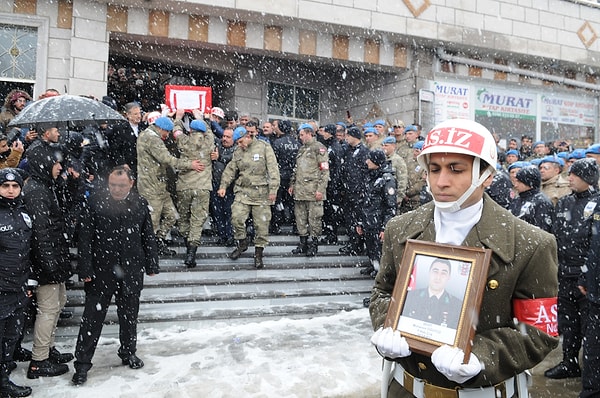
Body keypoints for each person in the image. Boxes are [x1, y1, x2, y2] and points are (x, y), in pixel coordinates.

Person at [369, 119, 559, 398]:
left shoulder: (530, 243)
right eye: (434, 169)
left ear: (487, 175)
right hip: (406, 388)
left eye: (456, 169)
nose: (441, 181)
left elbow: (538, 331)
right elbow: (382, 291)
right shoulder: (400, 228)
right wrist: (389, 324)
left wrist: (481, 355)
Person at [72, 166, 160, 385]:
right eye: (113, 185)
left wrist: (152, 262)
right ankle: (82, 365)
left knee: (129, 316)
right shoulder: (95, 202)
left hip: (131, 269)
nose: (117, 189)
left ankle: (128, 351)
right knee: (92, 320)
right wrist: (85, 268)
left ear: (131, 183)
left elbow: (147, 234)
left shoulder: (139, 203)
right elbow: (84, 238)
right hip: (101, 271)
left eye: (121, 185)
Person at [545, 158, 600, 380]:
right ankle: (569, 362)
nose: (570, 178)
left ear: (586, 178)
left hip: (586, 276)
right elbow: (556, 234)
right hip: (564, 272)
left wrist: (587, 275)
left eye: (574, 175)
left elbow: (595, 244)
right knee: (568, 323)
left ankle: (591, 370)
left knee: (589, 326)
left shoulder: (597, 203)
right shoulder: (566, 202)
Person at [23, 143, 74, 379]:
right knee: (48, 309)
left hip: (54, 257)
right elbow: (41, 232)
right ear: (44, 163)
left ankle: (48, 349)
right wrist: (49, 264)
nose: (60, 166)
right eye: (56, 162)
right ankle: (39, 360)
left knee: (57, 304)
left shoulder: (45, 186)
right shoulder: (36, 191)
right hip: (46, 262)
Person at [136, 116, 203, 256]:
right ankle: (149, 249)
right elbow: (166, 158)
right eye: (167, 132)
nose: (167, 135)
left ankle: (157, 241)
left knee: (172, 215)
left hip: (158, 185)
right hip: (151, 187)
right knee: (152, 222)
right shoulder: (153, 139)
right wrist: (189, 164)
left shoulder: (146, 134)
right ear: (161, 128)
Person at [217, 126, 280, 269]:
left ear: (247, 137)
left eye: (240, 142)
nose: (239, 145)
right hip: (243, 191)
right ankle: (242, 242)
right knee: (236, 217)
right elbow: (231, 169)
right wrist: (223, 186)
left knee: (261, 225)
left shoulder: (264, 147)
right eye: (237, 143)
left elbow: (273, 170)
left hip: (261, 193)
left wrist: (273, 190)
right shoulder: (239, 151)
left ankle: (258, 253)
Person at [0, 168, 33, 397]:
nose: (10, 190)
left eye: (15, 186)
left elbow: (28, 249)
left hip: (19, 287)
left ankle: (3, 375)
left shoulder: (24, 212)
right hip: (1, 288)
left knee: (12, 336)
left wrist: (29, 281)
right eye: (5, 186)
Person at [174, 118, 215, 267]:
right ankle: (191, 253)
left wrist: (178, 118)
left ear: (190, 130)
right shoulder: (209, 141)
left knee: (184, 218)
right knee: (197, 221)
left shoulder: (183, 140)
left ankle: (187, 245)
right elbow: (210, 131)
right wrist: (202, 117)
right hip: (203, 186)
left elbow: (176, 131)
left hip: (184, 186)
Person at [289, 123, 329, 257]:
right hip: (300, 191)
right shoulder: (302, 149)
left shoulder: (319, 148)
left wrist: (321, 190)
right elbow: (297, 169)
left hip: (313, 191)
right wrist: (292, 184)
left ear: (309, 134)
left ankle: (313, 244)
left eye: (302, 135)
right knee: (300, 218)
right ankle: (303, 243)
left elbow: (324, 171)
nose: (300, 138)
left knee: (314, 219)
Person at [358, 150, 396, 277]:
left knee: (378, 247)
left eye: (370, 159)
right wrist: (360, 222)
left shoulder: (387, 179)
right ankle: (373, 264)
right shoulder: (370, 175)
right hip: (369, 218)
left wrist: (385, 227)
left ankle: (380, 270)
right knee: (370, 245)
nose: (367, 162)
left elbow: (390, 206)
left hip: (378, 219)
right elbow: (364, 200)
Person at [578, 198, 600, 397]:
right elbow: (592, 243)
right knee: (592, 350)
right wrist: (585, 276)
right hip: (595, 292)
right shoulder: (598, 203)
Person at [401, 258, 462, 328]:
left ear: (449, 277)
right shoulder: (410, 296)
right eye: (435, 271)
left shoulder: (457, 306)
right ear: (429, 273)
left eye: (443, 273)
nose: (438, 277)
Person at [339, 126, 369, 256]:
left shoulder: (363, 151)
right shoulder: (348, 151)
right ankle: (352, 242)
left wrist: (362, 189)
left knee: (357, 219)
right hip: (348, 191)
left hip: (358, 192)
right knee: (349, 219)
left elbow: (365, 172)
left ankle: (357, 244)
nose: (346, 138)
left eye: (348, 136)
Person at [105, 102, 146, 177]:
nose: (139, 116)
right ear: (128, 115)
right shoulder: (120, 129)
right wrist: (122, 163)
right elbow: (115, 149)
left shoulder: (143, 128)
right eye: (135, 114)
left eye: (139, 113)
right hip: (127, 166)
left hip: (141, 166)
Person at [509, 166, 554, 232]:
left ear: (529, 182)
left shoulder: (542, 202)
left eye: (519, 182)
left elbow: (542, 231)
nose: (516, 185)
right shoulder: (517, 199)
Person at [210, 127, 235, 246]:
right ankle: (222, 235)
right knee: (218, 212)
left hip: (231, 186)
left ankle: (230, 235)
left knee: (229, 212)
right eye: (224, 136)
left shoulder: (237, 149)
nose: (224, 139)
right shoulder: (217, 145)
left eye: (228, 137)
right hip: (216, 184)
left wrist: (220, 157)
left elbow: (233, 160)